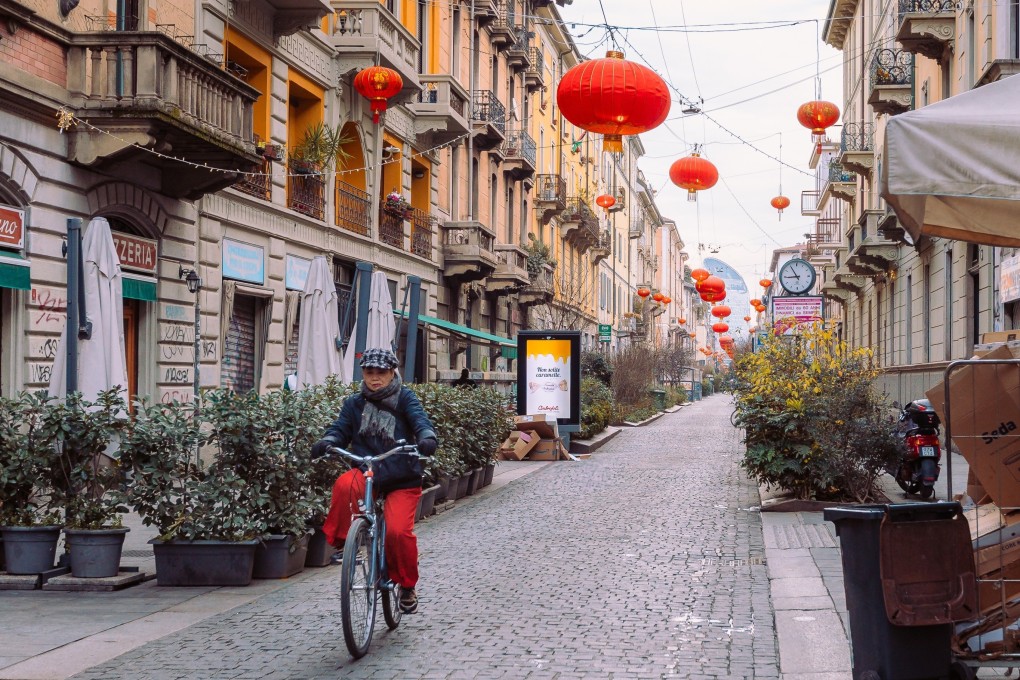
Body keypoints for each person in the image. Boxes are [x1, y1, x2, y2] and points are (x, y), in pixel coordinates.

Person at [311, 348, 438, 614]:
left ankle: (406, 586)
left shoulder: (405, 398)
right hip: (367, 470)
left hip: (401, 475)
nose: (375, 378)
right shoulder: (354, 404)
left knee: (397, 532)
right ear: (364, 375)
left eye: (381, 373)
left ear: (392, 373)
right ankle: (347, 544)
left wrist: (426, 437)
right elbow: (340, 428)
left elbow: (420, 421)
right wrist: (328, 442)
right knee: (345, 484)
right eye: (369, 373)